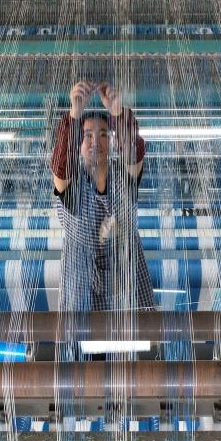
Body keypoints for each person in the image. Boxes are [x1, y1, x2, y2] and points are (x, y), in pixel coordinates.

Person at [50, 81, 155, 311]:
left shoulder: (124, 176)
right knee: (81, 343)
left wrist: (117, 111)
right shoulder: (71, 181)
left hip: (128, 288)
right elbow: (60, 165)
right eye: (87, 135)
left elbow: (134, 151)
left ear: (113, 141)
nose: (95, 141)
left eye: (104, 134)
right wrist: (74, 114)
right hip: (80, 291)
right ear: (78, 143)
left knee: (132, 342)